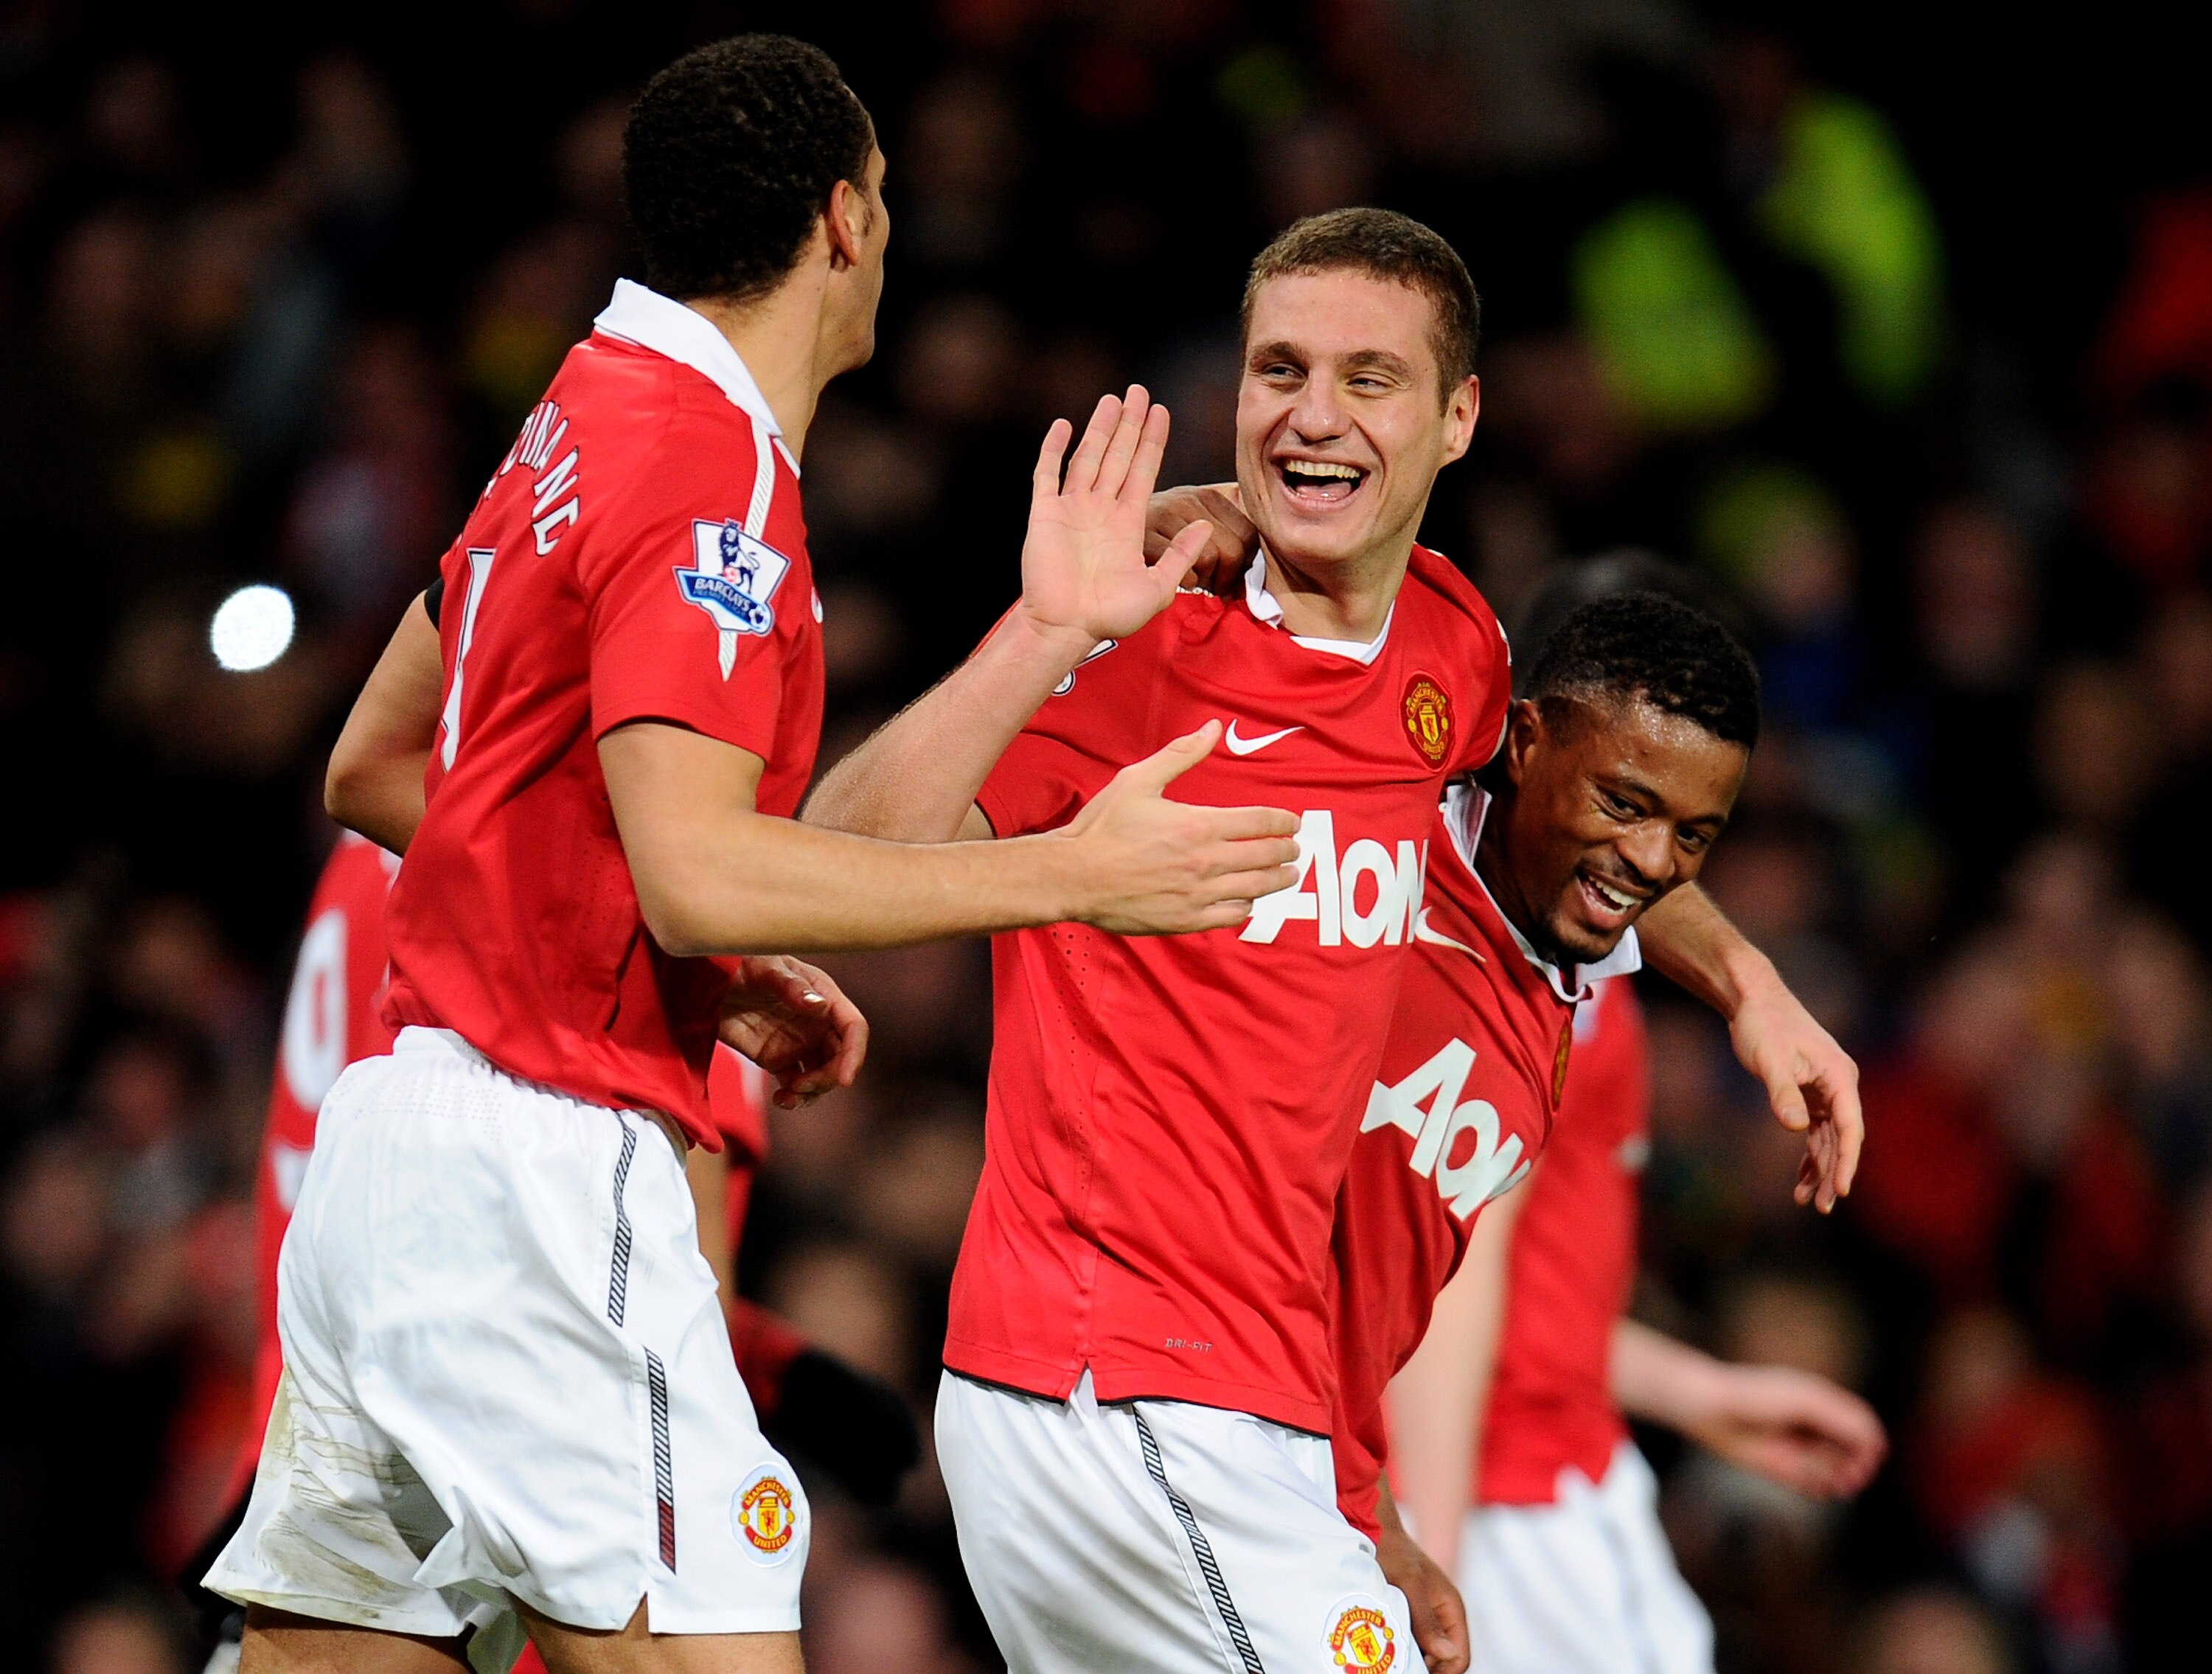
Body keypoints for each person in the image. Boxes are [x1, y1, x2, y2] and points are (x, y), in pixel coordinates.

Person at [207, 35, 1296, 1674]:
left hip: (394, 1165)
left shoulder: (576, 414)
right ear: (847, 223)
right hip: (548, 1179)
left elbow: (378, 765)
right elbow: (703, 868)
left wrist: (1042, 639)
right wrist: (1078, 867)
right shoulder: (707, 474)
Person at [805, 210, 1862, 1674]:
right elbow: (831, 856)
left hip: (1260, 1422)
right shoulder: (1138, 643)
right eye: (1278, 370)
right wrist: (1038, 637)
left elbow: (1586, 818)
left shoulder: (1457, 650)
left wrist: (1751, 986)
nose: (1311, 416)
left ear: (1458, 418)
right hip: (1112, 1383)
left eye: (1369, 379)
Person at [187, 826, 917, 1673]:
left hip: (317, 1428)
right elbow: (667, 1272)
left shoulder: (389, 846)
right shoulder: (641, 883)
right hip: (526, 1460)